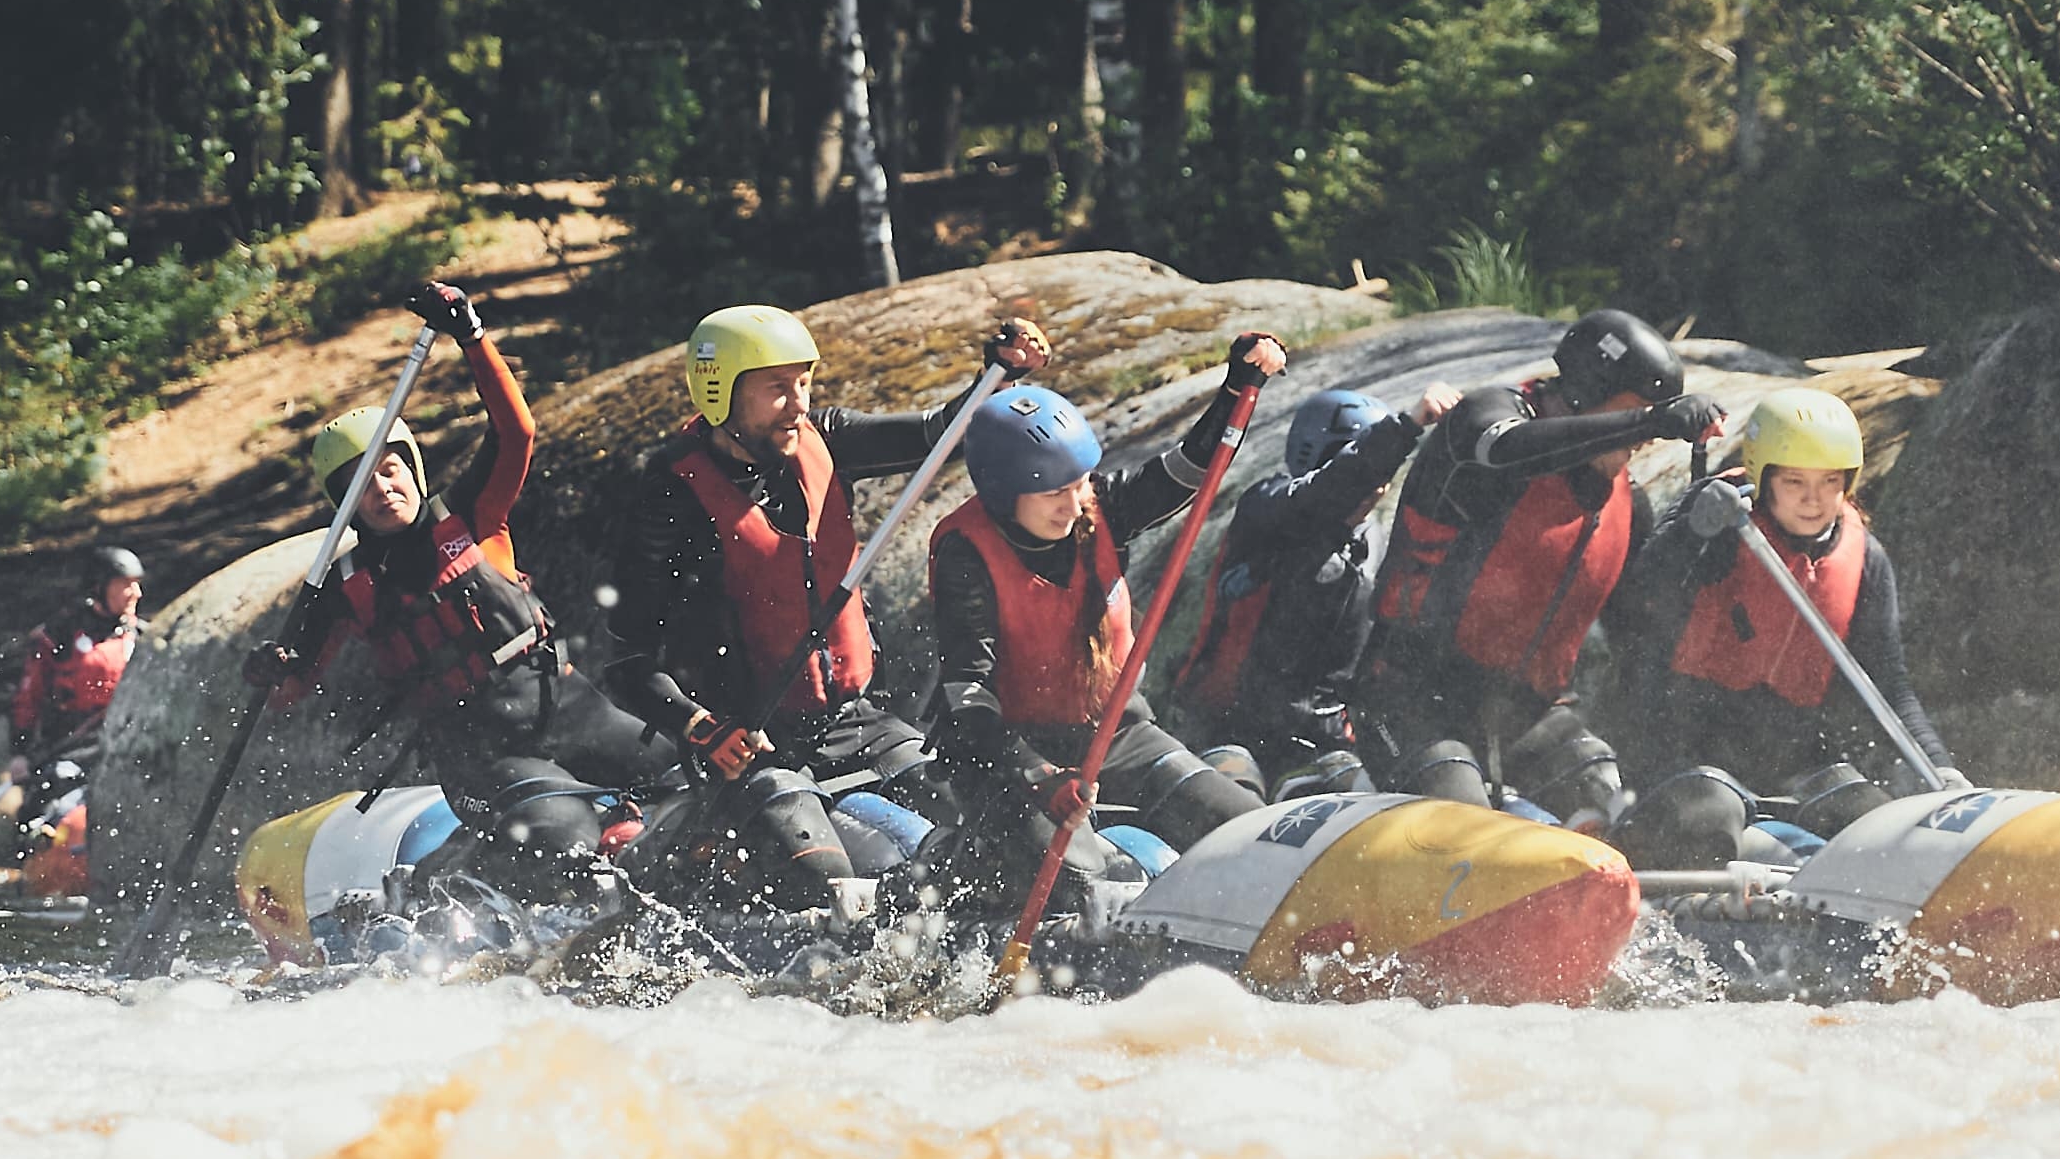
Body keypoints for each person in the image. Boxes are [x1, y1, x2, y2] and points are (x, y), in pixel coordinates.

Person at [604, 299, 1058, 908]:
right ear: (720, 393)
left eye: (803, 383)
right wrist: (701, 728)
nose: (798, 404)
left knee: (999, 829)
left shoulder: (829, 440)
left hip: (857, 724)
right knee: (838, 898)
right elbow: (626, 659)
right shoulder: (669, 492)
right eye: (776, 389)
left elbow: (940, 435)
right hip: (754, 746)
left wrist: (997, 374)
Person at [244, 278, 672, 882]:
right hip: (479, 754)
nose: (383, 489)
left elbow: (516, 433)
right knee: (565, 838)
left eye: (389, 471)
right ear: (343, 506)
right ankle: (460, 885)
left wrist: (470, 336)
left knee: (691, 771)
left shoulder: (472, 515)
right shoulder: (345, 585)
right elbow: (291, 688)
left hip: (566, 709)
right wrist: (269, 669)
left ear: (412, 470)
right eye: (361, 486)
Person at [917, 336, 1289, 895]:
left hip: (1115, 733)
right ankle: (960, 858)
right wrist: (1037, 775)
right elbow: (968, 693)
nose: (1072, 506)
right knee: (1083, 881)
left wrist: (1235, 387)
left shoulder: (1099, 508)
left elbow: (1184, 473)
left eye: (1078, 484)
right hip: (1007, 751)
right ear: (1002, 491)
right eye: (1052, 494)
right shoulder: (965, 553)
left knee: (1244, 831)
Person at [1357, 307, 1718, 830]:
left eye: (1648, 420)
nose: (1641, 440)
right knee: (1462, 823)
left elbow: (1644, 638)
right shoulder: (1482, 423)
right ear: (1583, 397)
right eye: (1633, 413)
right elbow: (1507, 449)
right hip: (1410, 697)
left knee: (1621, 813)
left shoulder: (1627, 505)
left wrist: (1700, 544)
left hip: (1528, 717)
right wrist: (1654, 418)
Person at [1604, 384, 1930, 864]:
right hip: (1687, 750)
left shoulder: (1867, 560)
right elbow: (1638, 600)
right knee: (1711, 818)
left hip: (1792, 759)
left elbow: (1890, 686)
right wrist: (1693, 530)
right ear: (1763, 478)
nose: (1814, 500)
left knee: (1877, 827)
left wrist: (1939, 771)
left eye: (1830, 482)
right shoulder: (1717, 525)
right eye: (1795, 482)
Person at [1181, 382, 1461, 788]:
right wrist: (1406, 427)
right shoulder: (1268, 508)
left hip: (1325, 743)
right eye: (1369, 467)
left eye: (1386, 473)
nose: (1380, 486)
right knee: (1239, 805)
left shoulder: (1377, 540)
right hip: (1233, 730)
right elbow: (1325, 492)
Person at [7, 546, 147, 788]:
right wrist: (19, 752)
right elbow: (29, 695)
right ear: (99, 586)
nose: (136, 593)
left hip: (125, 747)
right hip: (68, 749)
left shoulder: (142, 636)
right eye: (125, 584)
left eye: (136, 584)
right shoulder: (60, 634)